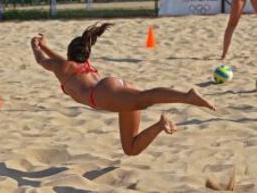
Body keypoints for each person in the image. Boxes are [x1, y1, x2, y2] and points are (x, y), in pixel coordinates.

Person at [31, 23, 216, 156]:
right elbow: (61, 60)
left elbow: (41, 60)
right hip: (113, 87)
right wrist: (46, 46)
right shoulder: (80, 65)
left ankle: (187, 96)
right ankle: (160, 125)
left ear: (69, 54)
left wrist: (35, 46)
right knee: (131, 149)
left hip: (103, 94)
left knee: (146, 98)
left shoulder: (64, 68)